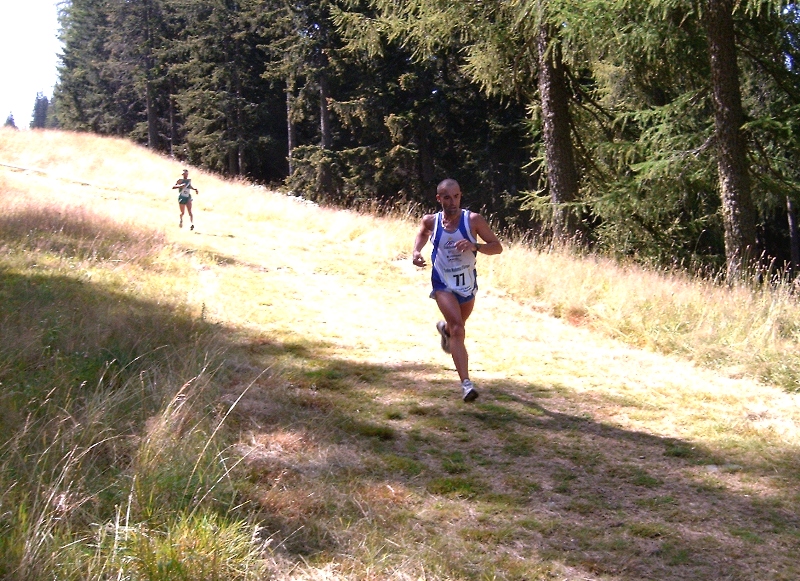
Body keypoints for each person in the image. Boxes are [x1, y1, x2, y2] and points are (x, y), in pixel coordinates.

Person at [412, 178, 503, 402]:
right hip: (442, 283)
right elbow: (423, 233)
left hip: (467, 284)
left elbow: (497, 247)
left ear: (460, 196)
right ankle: (466, 385)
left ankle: (445, 330)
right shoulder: (431, 221)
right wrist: (416, 251)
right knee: (459, 329)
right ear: (439, 198)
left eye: (456, 197)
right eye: (447, 197)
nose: (452, 202)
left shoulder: (473, 220)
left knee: (456, 327)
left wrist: (475, 246)